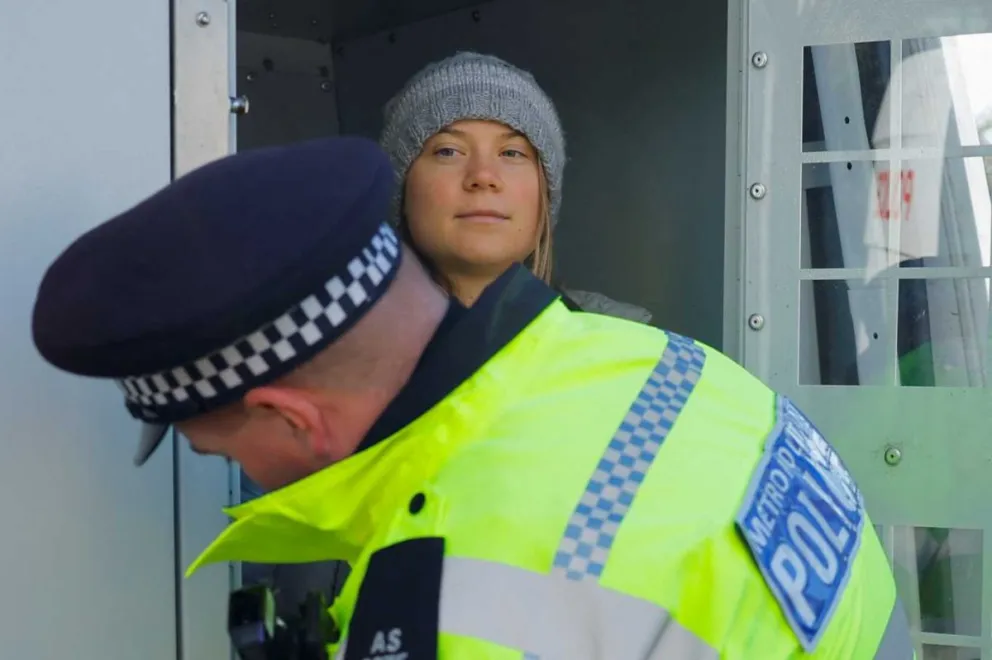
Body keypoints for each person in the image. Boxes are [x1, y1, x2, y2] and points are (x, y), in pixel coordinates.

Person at [31, 136, 911, 658]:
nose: (242, 478)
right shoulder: (657, 359)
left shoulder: (450, 611)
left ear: (288, 415)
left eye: (216, 450)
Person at [380, 51, 653, 323]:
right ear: (403, 192)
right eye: (448, 151)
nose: (484, 176)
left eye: (512, 153)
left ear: (545, 196)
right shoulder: (344, 359)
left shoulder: (637, 346)